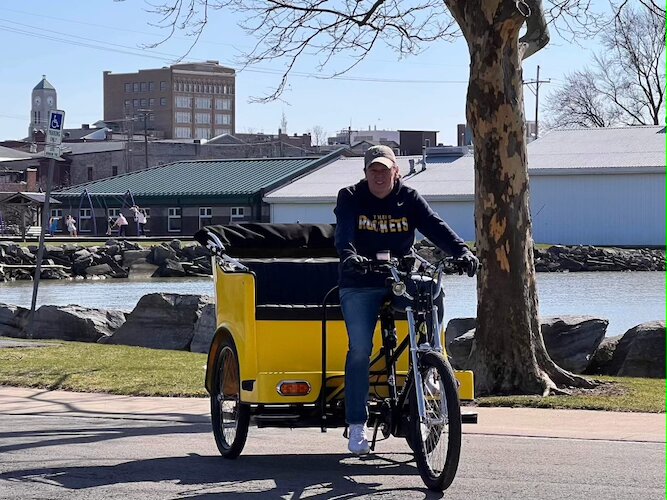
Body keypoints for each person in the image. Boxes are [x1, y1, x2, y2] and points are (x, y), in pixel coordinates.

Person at [334, 144, 479, 455]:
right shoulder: (350, 196)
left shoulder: (409, 198)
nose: (379, 175)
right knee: (360, 348)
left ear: (395, 172)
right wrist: (349, 256)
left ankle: (433, 364)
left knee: (433, 289)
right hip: (360, 281)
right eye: (373, 169)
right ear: (365, 172)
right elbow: (344, 234)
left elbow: (435, 226)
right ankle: (357, 424)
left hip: (401, 277)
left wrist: (462, 252)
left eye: (384, 169)